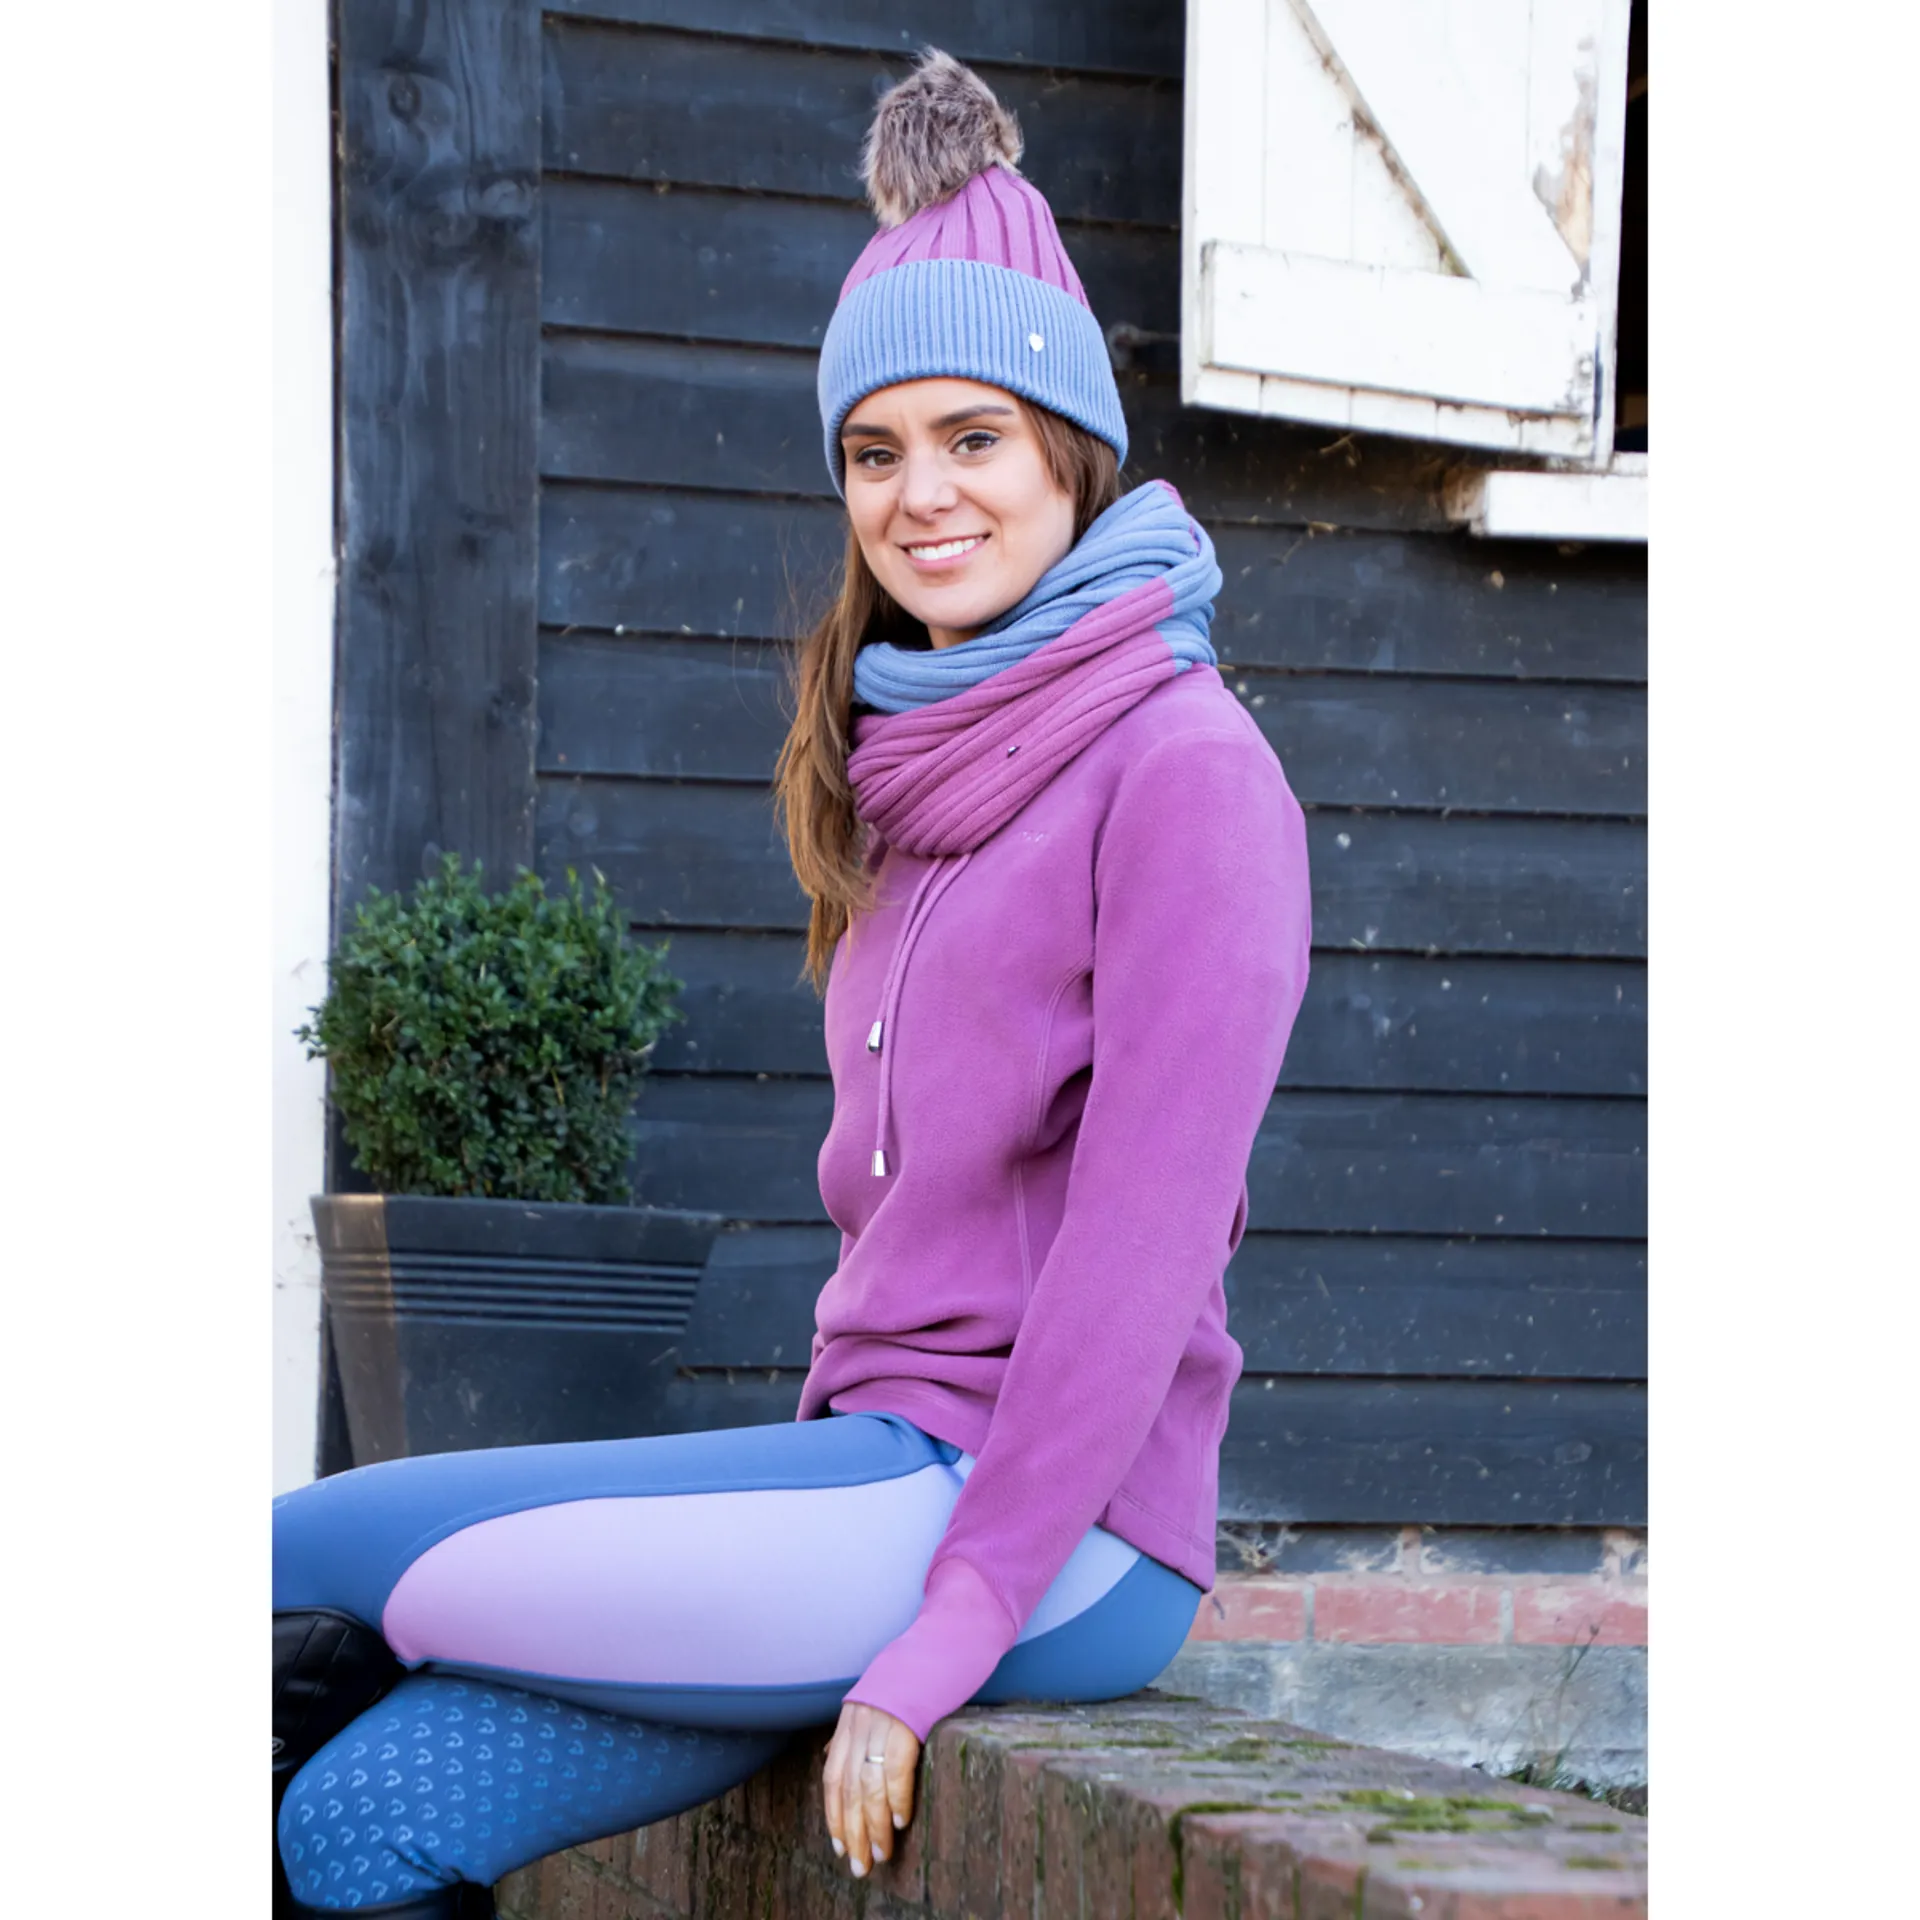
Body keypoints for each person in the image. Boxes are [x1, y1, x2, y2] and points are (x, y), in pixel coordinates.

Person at [271, 50, 1311, 1918]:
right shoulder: (913, 765)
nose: (922, 495)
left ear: (1070, 451)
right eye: (874, 450)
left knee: (306, 1553)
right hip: (864, 1490)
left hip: (1043, 1538)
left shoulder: (1187, 774)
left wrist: (941, 1638)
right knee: (355, 1828)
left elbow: (1137, 1265)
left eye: (974, 437)